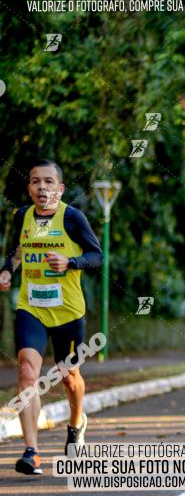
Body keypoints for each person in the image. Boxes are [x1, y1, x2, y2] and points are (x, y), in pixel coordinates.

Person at [0, 160, 103, 474]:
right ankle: (32, 451)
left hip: (68, 311)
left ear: (60, 188)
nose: (41, 188)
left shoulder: (72, 217)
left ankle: (76, 423)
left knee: (69, 377)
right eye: (35, 182)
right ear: (29, 187)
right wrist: (6, 271)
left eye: (48, 182)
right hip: (31, 307)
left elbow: (97, 256)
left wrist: (70, 262)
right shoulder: (22, 216)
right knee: (28, 373)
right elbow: (15, 251)